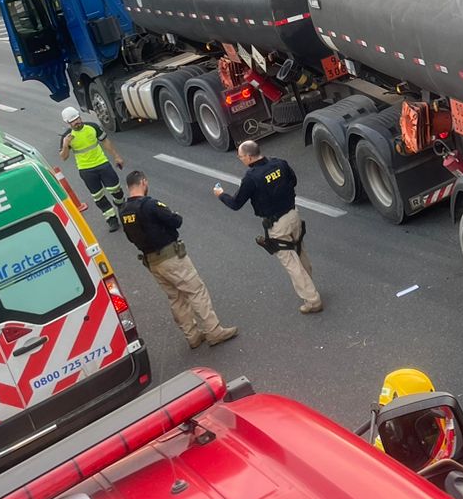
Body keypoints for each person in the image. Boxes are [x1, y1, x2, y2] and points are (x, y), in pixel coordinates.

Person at [119, 171, 237, 349]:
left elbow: (130, 237)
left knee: (176, 298)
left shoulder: (124, 212)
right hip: (171, 257)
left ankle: (193, 336)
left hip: (152, 261)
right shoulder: (150, 204)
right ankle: (214, 332)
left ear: (129, 187)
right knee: (196, 291)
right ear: (143, 182)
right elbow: (175, 221)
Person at [214, 140, 323, 313]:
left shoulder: (251, 178)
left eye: (241, 157)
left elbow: (236, 203)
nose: (240, 159)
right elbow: (293, 181)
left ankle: (312, 300)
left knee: (291, 263)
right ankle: (310, 285)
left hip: (277, 225)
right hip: (293, 215)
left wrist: (221, 195)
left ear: (249, 157)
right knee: (300, 250)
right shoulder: (280, 163)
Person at [58, 104, 126, 231]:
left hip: (102, 163)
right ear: (68, 123)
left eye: (77, 118)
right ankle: (111, 219)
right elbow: (63, 157)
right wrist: (66, 145)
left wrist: (117, 156)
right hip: (86, 170)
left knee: (115, 189)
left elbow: (105, 141)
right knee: (98, 196)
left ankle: (121, 206)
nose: (77, 122)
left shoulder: (92, 127)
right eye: (73, 121)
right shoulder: (67, 137)